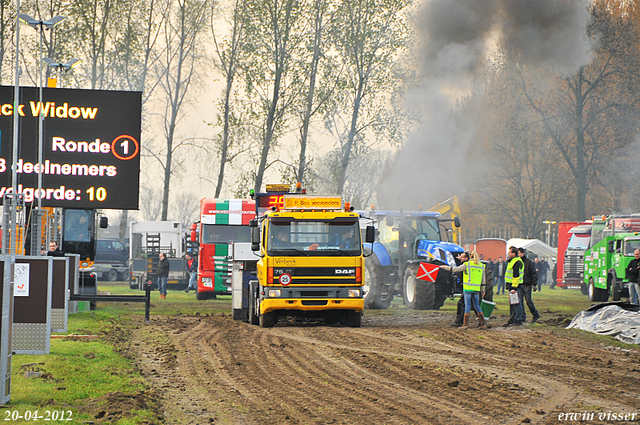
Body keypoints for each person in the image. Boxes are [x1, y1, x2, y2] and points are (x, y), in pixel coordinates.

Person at [440, 250, 487, 329]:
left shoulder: (467, 264)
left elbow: (455, 269)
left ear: (469, 257)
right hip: (476, 289)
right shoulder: (481, 265)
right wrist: (483, 290)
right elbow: (483, 280)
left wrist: (444, 267)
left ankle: (465, 325)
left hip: (468, 289)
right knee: (477, 306)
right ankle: (483, 324)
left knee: (467, 306)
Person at [518, 248, 541, 323]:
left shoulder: (529, 262)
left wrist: (534, 284)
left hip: (527, 284)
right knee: (520, 301)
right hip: (520, 284)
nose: (518, 255)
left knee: (528, 301)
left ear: (522, 253)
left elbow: (533, 273)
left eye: (519, 253)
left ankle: (535, 314)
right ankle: (522, 317)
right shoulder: (518, 262)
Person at [503, 246, 524, 327]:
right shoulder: (512, 261)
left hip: (516, 286)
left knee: (516, 303)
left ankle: (518, 320)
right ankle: (512, 319)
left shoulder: (516, 262)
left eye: (510, 252)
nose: (508, 254)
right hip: (511, 285)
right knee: (513, 303)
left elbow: (516, 276)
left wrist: (513, 288)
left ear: (514, 253)